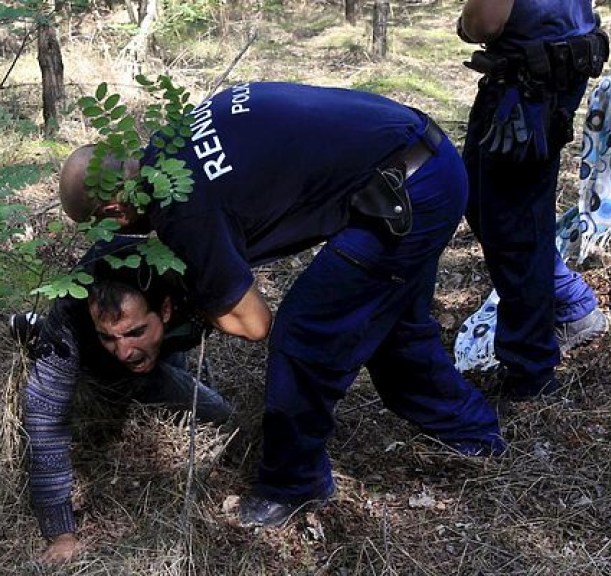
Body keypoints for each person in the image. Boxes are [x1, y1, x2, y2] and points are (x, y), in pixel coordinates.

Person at [57, 82, 505, 529]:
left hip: (408, 192)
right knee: (392, 327)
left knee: (304, 334)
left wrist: (193, 296)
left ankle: (294, 483)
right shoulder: (171, 144)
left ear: (116, 209)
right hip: (423, 156)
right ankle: (472, 434)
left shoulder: (180, 206)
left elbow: (253, 323)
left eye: (102, 227)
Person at [15, 236, 232, 565]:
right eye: (107, 336)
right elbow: (45, 415)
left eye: (134, 331)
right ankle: (33, 330)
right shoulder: (73, 314)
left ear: (167, 309)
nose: (123, 349)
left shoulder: (197, 287)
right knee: (218, 413)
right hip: (102, 367)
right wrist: (61, 533)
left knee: (209, 401)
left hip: (170, 337)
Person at [456, 0, 610, 398]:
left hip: (526, 87)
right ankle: (570, 304)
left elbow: (486, 22)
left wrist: (467, 24)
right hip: (538, 76)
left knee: (511, 221)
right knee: (487, 201)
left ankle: (530, 367)